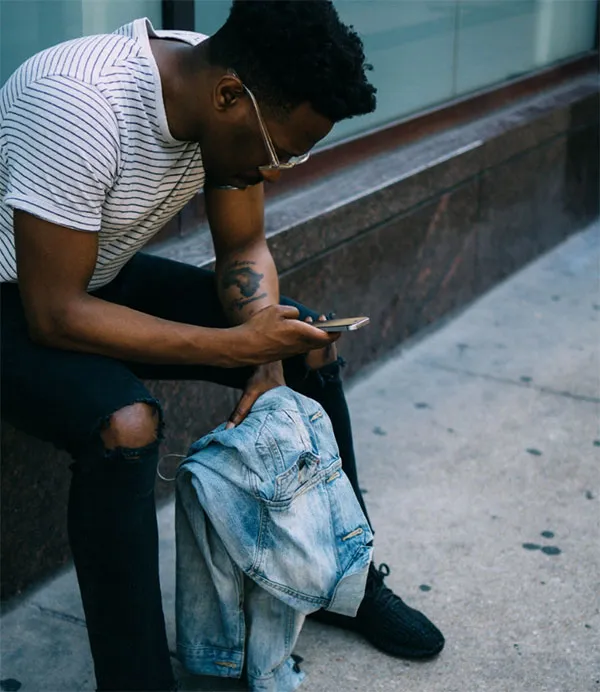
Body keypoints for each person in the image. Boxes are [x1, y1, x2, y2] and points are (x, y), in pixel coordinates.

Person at [0, 1, 444, 690]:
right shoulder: (78, 102)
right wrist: (230, 349)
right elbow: (53, 315)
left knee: (307, 339)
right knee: (125, 424)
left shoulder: (225, 91)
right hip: (22, 295)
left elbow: (243, 246)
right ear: (229, 97)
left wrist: (264, 352)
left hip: (93, 271)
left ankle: (340, 577)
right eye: (280, 152)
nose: (279, 171)